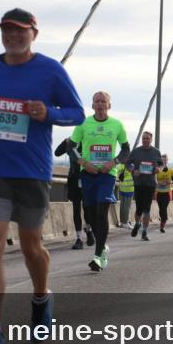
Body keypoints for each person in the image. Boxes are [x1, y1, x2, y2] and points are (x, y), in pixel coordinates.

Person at [0, 9, 84, 344]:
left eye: (19, 31)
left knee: (31, 247)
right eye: (6, 30)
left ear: (34, 34)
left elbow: (77, 113)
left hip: (33, 172)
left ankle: (41, 298)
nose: (12, 36)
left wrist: (49, 113)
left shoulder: (51, 70)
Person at [69, 91, 130, 272]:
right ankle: (103, 247)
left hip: (107, 174)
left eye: (104, 101)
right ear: (93, 105)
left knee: (102, 212)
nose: (100, 104)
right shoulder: (84, 123)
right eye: (97, 101)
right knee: (91, 214)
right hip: (88, 174)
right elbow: (70, 147)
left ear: (109, 105)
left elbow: (126, 150)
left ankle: (98, 256)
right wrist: (84, 163)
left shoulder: (117, 125)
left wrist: (114, 162)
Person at [55, 139, 94, 249]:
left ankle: (89, 231)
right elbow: (57, 153)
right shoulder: (71, 143)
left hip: (87, 179)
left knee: (87, 209)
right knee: (76, 208)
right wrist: (65, 142)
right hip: (73, 179)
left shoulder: (89, 141)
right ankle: (79, 238)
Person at [127, 131, 161, 240]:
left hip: (150, 184)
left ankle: (145, 232)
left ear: (151, 139)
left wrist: (158, 169)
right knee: (139, 209)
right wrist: (133, 170)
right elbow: (127, 164)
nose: (145, 140)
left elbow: (160, 164)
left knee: (147, 209)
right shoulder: (136, 151)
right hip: (139, 183)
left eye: (147, 138)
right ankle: (137, 224)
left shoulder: (156, 152)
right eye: (144, 138)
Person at [155, 155, 173, 233]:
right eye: (163, 160)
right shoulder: (157, 170)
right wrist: (160, 182)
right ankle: (163, 220)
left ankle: (162, 225)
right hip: (159, 192)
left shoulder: (171, 170)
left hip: (167, 192)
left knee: (164, 208)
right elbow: (154, 180)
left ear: (167, 161)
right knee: (161, 209)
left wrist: (170, 182)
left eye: (166, 160)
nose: (164, 161)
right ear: (161, 161)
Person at [115, 161, 135, 229]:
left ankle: (122, 222)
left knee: (122, 206)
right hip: (129, 188)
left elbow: (117, 175)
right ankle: (125, 222)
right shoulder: (130, 165)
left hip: (122, 187)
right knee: (127, 207)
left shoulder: (120, 166)